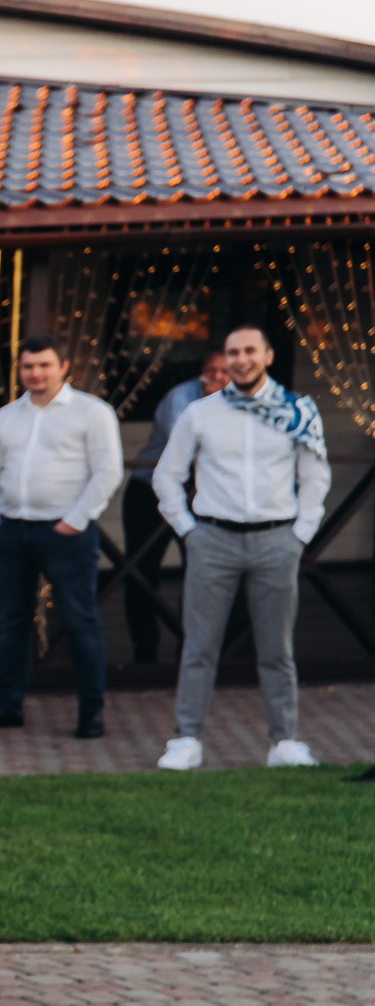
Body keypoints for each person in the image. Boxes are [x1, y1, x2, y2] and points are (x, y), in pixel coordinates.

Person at [153, 325, 329, 771]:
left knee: (276, 649)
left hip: (276, 539)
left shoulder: (298, 411)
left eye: (250, 350)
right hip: (213, 539)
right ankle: (187, 739)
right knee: (199, 646)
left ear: (268, 356)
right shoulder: (200, 413)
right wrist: (189, 531)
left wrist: (301, 533)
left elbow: (315, 476)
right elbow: (166, 476)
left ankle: (284, 742)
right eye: (233, 352)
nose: (241, 359)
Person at [0, 338, 124, 739]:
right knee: (12, 622)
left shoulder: (92, 412)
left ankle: (90, 713)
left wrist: (75, 519)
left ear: (64, 366)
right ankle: (8, 705)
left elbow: (108, 471)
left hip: (65, 533)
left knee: (81, 622)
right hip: (10, 532)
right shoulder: (8, 415)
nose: (35, 373)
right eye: (28, 366)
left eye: (44, 365)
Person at [123, 353, 230, 664]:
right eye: (211, 369)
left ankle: (191, 652)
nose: (217, 376)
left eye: (225, 371)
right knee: (140, 572)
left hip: (202, 495)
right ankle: (145, 654)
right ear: (201, 371)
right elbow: (187, 445)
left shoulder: (245, 399)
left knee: (201, 573)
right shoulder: (181, 396)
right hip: (149, 492)